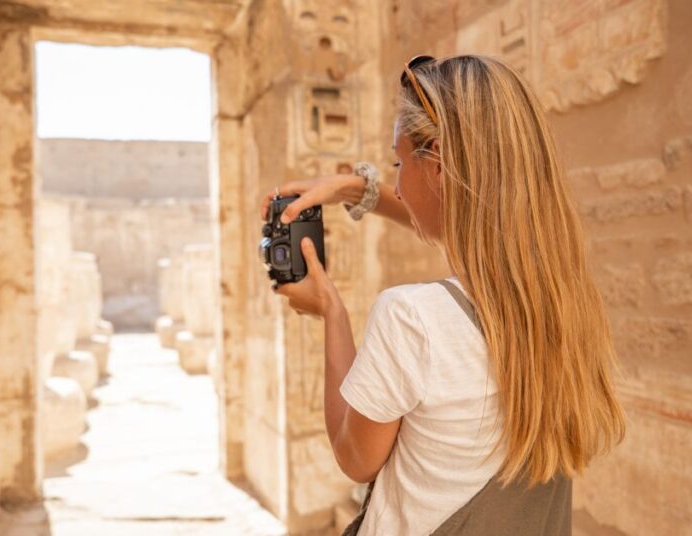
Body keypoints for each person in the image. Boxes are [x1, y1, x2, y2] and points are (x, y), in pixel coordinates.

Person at [263, 55, 626, 535]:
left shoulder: (412, 318)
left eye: (398, 162)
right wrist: (356, 189)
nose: (394, 182)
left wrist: (332, 312)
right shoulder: (564, 301)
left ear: (437, 161)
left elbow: (355, 457)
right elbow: (455, 211)